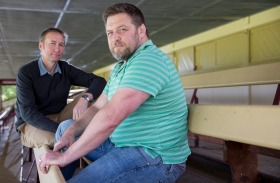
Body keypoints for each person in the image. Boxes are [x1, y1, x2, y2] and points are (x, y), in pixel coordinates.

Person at [38, 3, 191, 183]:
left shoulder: (148, 60)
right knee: (66, 128)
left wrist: (65, 156)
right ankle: (58, 179)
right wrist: (72, 131)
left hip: (154, 157)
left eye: (122, 29)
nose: (115, 37)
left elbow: (111, 117)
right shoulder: (122, 66)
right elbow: (98, 108)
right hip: (121, 144)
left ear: (141, 31)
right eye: (110, 33)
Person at [15, 27, 106, 148]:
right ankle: (81, 154)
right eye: (52, 44)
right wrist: (64, 129)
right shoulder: (26, 72)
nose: (57, 49)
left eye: (61, 45)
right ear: (41, 46)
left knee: (94, 95)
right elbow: (28, 113)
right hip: (31, 124)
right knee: (59, 139)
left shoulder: (65, 68)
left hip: (60, 115)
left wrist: (85, 98)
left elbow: (99, 81)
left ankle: (97, 141)